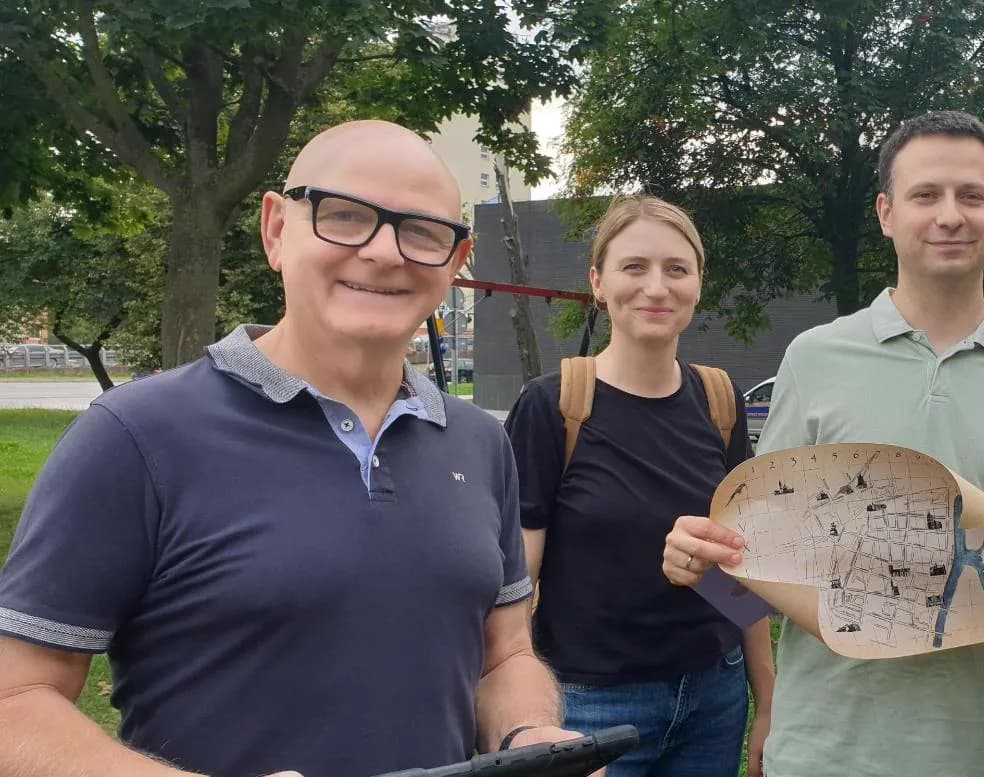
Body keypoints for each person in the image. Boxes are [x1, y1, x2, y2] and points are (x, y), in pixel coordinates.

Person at [0, 121, 583, 777]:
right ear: (276, 229)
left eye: (422, 231)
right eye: (345, 215)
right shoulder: (135, 436)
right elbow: (15, 701)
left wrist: (529, 730)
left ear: (455, 261)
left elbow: (505, 655)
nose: (383, 251)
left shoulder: (479, 442)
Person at [659, 111, 984, 777]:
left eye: (971, 195)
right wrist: (706, 567)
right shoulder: (814, 358)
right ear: (887, 213)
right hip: (822, 753)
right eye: (925, 195)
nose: (949, 215)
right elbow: (758, 574)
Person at [503, 195, 775, 777]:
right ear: (598, 283)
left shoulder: (720, 402)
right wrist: (523, 720)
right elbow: (517, 584)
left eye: (677, 269)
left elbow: (742, 575)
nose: (657, 287)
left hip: (715, 696)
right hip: (589, 704)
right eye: (634, 267)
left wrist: (769, 702)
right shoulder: (553, 407)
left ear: (698, 285)